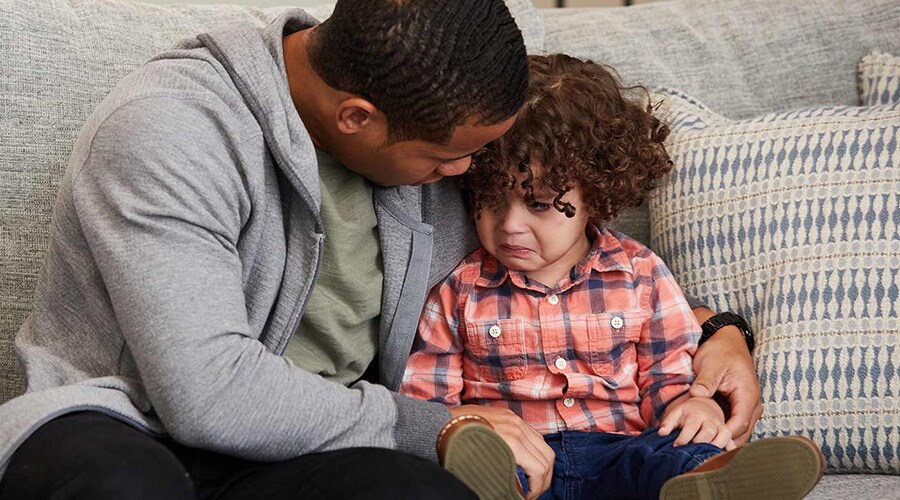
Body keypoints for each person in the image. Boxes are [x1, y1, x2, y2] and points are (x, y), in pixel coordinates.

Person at [0, 1, 761, 498]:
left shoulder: (428, 133)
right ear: (358, 117)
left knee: (428, 495)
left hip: (301, 456)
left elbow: (568, 260)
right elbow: (209, 393)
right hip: (127, 427)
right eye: (449, 162)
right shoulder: (168, 132)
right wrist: (435, 425)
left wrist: (719, 332)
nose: (466, 181)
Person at [401, 54, 823, 500]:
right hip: (519, 461)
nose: (509, 225)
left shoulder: (640, 275)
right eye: (490, 199)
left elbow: (668, 377)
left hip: (621, 455)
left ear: (597, 195)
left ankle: (713, 480)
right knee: (469, 470)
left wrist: (695, 407)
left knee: (672, 453)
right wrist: (466, 428)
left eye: (539, 204)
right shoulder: (458, 287)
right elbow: (429, 400)